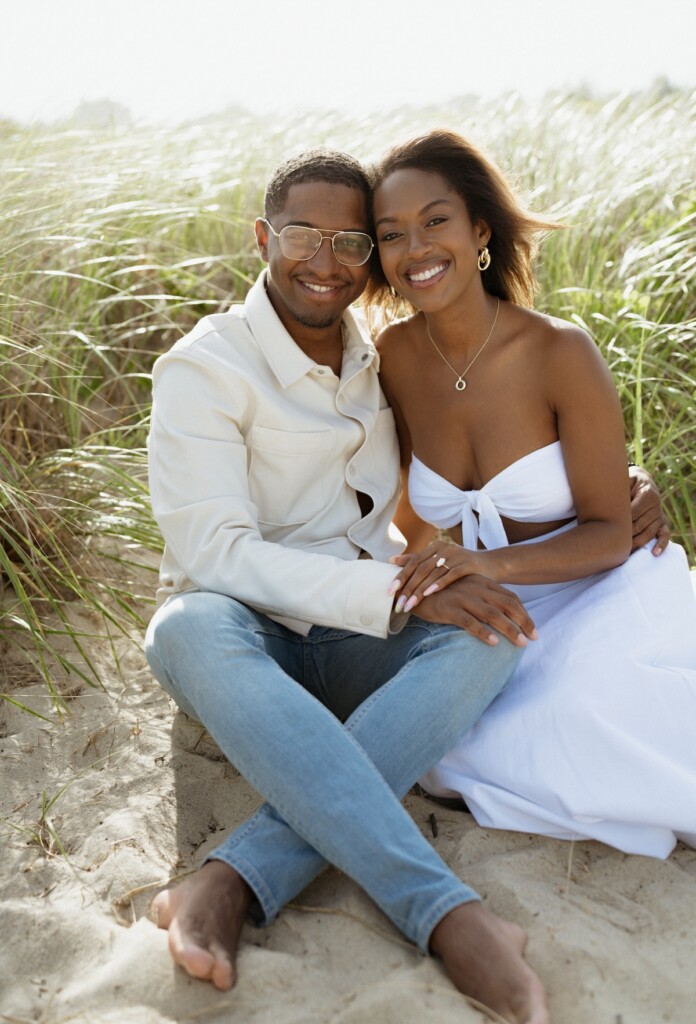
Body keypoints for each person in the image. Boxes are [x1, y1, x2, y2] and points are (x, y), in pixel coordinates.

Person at [144, 148, 550, 1024]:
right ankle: (446, 915)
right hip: (243, 642)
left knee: (495, 635)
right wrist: (396, 598)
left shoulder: (388, 358)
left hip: (354, 639)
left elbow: (485, 439)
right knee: (181, 627)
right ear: (262, 237)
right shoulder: (204, 368)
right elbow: (215, 552)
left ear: (370, 256)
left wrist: (622, 484)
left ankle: (231, 878)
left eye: (350, 241)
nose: (324, 261)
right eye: (301, 235)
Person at [367, 128, 696, 858]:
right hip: (497, 611)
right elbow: (405, 518)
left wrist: (482, 564)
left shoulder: (558, 350)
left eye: (435, 221)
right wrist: (423, 575)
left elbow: (612, 531)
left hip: (601, 590)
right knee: (447, 747)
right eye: (391, 234)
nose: (416, 248)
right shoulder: (391, 357)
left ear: (479, 230)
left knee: (589, 713)